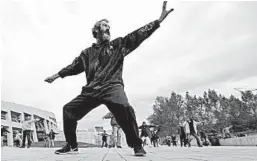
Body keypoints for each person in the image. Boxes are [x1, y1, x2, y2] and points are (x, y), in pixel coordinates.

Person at [44, 1, 173, 156]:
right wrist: (56, 75)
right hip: (92, 90)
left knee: (125, 108)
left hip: (113, 87)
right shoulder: (87, 53)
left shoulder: (117, 45)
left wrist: (158, 21)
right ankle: (72, 146)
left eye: (108, 26)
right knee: (68, 110)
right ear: (96, 30)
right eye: (104, 25)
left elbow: (137, 36)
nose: (108, 28)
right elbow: (73, 66)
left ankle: (137, 145)